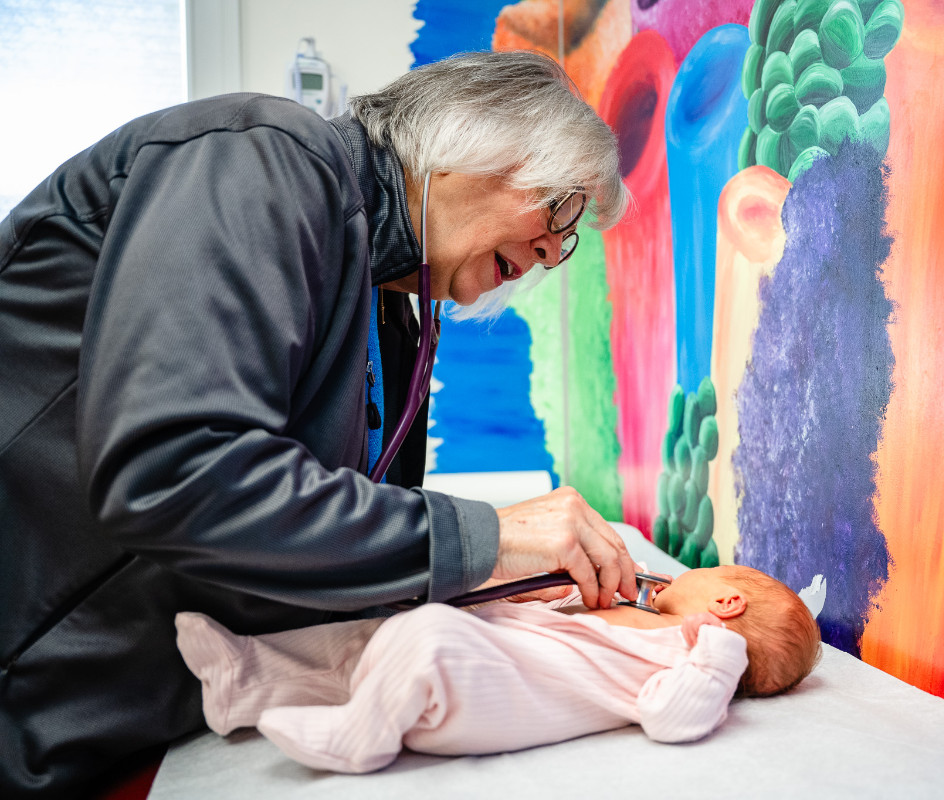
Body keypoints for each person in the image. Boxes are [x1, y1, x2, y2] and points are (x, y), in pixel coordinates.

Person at [0, 51, 638, 797]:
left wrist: (492, 581)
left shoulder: (393, 314)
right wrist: (486, 539)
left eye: (569, 239)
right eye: (558, 208)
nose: (549, 253)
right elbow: (172, 471)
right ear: (479, 144)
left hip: (120, 729)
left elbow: (325, 551)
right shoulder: (261, 158)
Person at [174, 564, 823, 773]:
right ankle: (245, 680)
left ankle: (361, 735)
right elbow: (566, 629)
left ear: (727, 601)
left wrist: (719, 654)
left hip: (480, 695)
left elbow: (671, 720)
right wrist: (548, 594)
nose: (678, 577)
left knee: (424, 637)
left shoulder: (693, 659)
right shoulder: (648, 621)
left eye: (702, 573)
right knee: (368, 639)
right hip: (481, 656)